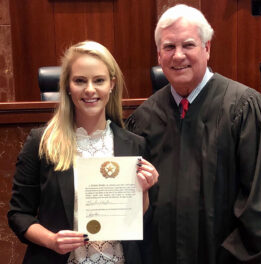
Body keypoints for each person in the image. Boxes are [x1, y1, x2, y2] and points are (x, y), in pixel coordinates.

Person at [126, 4, 261, 264]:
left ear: (207, 48)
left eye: (188, 45)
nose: (178, 56)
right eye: (169, 47)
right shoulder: (144, 119)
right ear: (159, 55)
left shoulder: (243, 109)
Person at [8, 40, 158, 264]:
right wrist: (51, 240)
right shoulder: (42, 143)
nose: (90, 89)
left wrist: (144, 191)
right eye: (80, 80)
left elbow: (142, 223)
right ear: (68, 86)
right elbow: (18, 214)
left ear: (111, 84)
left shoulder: (135, 145)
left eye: (99, 80)